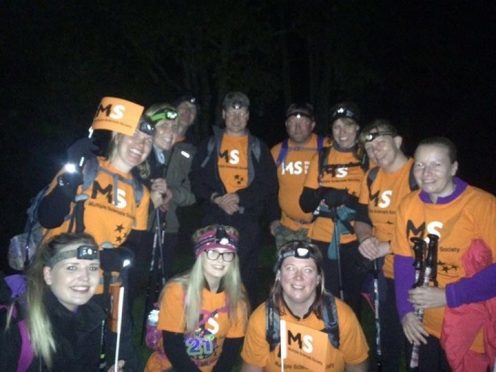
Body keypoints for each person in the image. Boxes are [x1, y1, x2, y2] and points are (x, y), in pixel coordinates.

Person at [392, 137, 496, 371]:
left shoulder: (483, 205)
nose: (426, 172)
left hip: (469, 326)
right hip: (423, 325)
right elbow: (403, 260)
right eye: (419, 165)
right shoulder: (408, 204)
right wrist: (405, 312)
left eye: (436, 164)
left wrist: (449, 295)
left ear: (453, 168)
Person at [190, 91, 278, 307]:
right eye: (232, 112)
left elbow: (268, 184)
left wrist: (239, 198)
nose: (237, 118)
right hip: (214, 216)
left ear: (248, 116)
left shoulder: (258, 147)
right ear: (224, 114)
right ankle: (207, 318)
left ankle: (243, 323)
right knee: (211, 270)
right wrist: (217, 198)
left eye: (242, 113)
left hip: (246, 220)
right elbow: (196, 178)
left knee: (244, 275)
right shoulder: (210, 144)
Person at [0, 232, 125, 371]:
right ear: (48, 274)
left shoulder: (95, 319)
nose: (85, 277)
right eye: (72, 267)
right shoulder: (13, 325)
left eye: (92, 268)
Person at [241, 240, 369, 371]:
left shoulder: (341, 316)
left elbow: (356, 364)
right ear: (279, 275)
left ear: (318, 279)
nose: (298, 277)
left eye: (307, 270)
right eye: (290, 268)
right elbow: (252, 367)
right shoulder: (262, 319)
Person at [353, 119, 417, 371]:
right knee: (386, 333)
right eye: (370, 149)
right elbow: (361, 218)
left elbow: (433, 225)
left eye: (381, 143)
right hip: (382, 270)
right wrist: (365, 239)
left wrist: (386, 246)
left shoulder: (418, 173)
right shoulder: (371, 176)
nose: (375, 151)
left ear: (398, 141)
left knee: (415, 336)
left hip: (413, 269)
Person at [145, 224, 249, 371]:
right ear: (200, 255)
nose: (221, 260)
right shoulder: (177, 290)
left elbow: (231, 348)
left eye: (227, 254)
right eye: (213, 252)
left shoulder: (237, 295)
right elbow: (174, 348)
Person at [299, 101, 369, 317]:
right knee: (325, 296)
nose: (342, 132)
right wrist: (325, 193)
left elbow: (369, 205)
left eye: (348, 125)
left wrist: (347, 199)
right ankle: (328, 341)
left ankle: (351, 344)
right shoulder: (321, 157)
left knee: (351, 297)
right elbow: (305, 202)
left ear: (357, 128)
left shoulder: (367, 159)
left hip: (353, 239)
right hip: (322, 239)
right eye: (337, 126)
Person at [270, 103, 329, 249]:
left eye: (303, 122)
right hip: (287, 227)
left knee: (317, 270)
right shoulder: (277, 152)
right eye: (292, 123)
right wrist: (273, 218)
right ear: (286, 125)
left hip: (321, 228)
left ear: (312, 124)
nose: (297, 128)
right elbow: (268, 189)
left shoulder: (328, 147)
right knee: (287, 269)